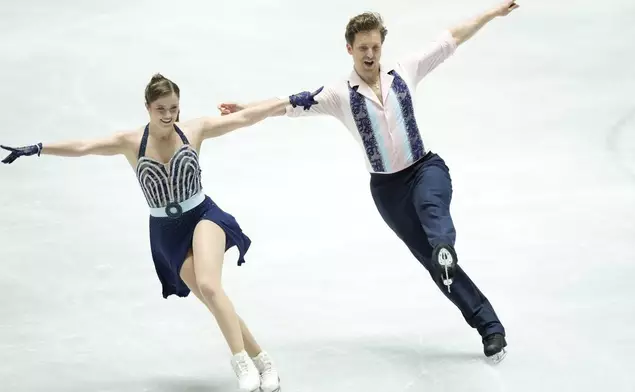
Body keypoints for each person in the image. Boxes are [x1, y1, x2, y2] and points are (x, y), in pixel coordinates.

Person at [217, 1, 520, 363]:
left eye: (375, 46)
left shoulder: (404, 70)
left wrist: (491, 14)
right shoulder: (338, 94)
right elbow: (285, 104)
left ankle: (444, 245)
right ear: (349, 48)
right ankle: (490, 327)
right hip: (387, 190)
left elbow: (452, 38)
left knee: (432, 210)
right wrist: (247, 108)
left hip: (425, 168)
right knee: (437, 267)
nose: (371, 54)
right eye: (363, 48)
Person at [1, 73, 322, 391]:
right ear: (148, 107)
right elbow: (84, 146)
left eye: (174, 108)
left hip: (203, 215)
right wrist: (40, 148)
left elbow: (246, 117)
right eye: (161, 109)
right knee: (215, 301)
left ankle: (242, 366)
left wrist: (289, 101)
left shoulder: (194, 129)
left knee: (210, 286)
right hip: (166, 231)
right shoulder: (130, 142)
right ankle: (264, 362)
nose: (169, 116)